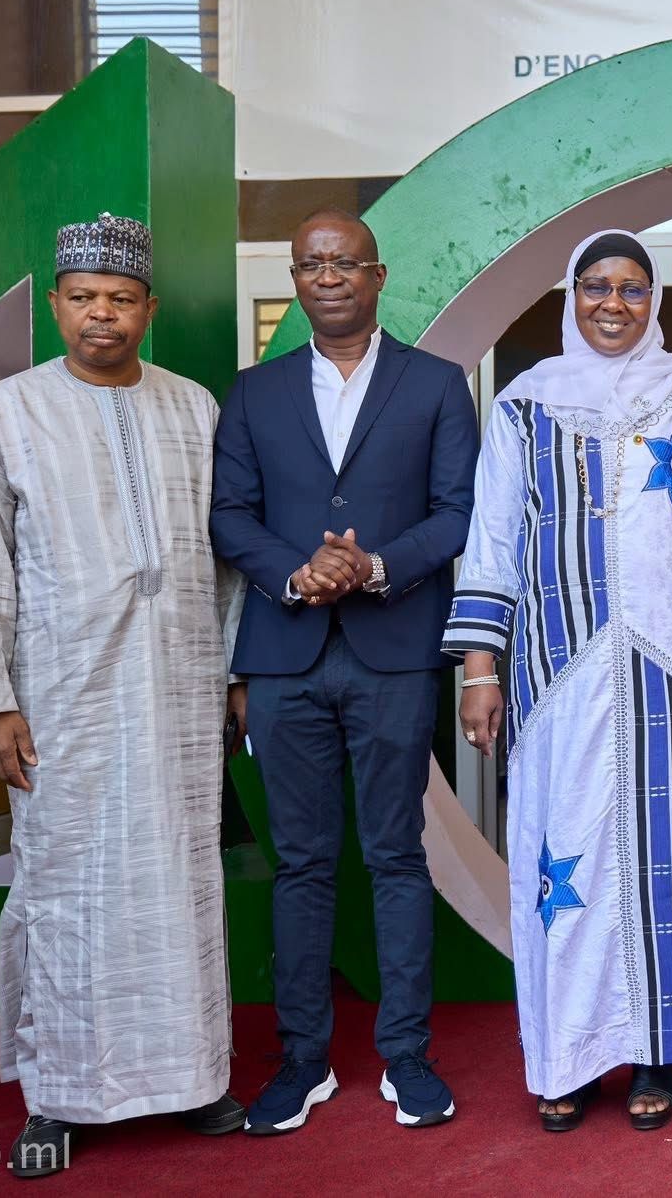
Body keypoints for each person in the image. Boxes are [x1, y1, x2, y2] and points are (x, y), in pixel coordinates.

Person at [448, 229, 672, 1132]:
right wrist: (479, 668)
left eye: (631, 288)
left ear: (653, 300)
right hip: (561, 667)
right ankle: (571, 1053)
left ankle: (657, 1050)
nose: (612, 304)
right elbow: (493, 538)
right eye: (595, 286)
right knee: (568, 857)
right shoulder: (524, 404)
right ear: (570, 295)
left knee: (670, 856)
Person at [0, 213, 243, 1177]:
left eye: (120, 299)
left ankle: (193, 1077)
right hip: (59, 694)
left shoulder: (194, 408)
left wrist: (235, 672)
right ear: (55, 305)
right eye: (83, 298)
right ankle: (59, 1096)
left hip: (180, 691)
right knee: (64, 884)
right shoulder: (6, 413)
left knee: (180, 880)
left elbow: (226, 560)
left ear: (149, 309)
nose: (101, 316)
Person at [211, 208, 478, 1135]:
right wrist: (300, 572)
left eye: (344, 262)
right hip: (284, 657)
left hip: (392, 650)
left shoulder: (436, 384)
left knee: (397, 855)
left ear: (377, 275)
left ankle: (407, 1056)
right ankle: (303, 1060)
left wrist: (375, 566)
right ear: (296, 279)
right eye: (311, 264)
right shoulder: (254, 392)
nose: (327, 276)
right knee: (302, 864)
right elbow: (230, 513)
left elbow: (457, 512)